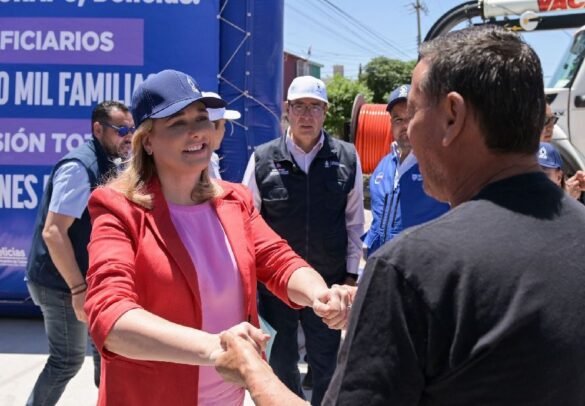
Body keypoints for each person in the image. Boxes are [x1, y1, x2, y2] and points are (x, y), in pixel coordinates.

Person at [215, 26, 585, 405]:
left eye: (415, 111)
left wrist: (252, 372)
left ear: (452, 116)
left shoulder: (410, 269)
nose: (406, 131)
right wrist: (374, 298)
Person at [83, 69, 351, 406]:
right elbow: (110, 318)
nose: (196, 131)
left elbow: (279, 261)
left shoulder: (234, 200)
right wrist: (217, 348)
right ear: (147, 140)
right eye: (178, 123)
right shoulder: (118, 208)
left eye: (202, 118)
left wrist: (320, 295)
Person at [242, 75, 364, 405]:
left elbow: (354, 223)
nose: (306, 115)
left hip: (328, 285)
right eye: (299, 106)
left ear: (325, 112)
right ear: (287, 110)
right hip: (274, 287)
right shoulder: (262, 158)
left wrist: (350, 276)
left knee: (327, 364)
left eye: (314, 107)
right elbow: (246, 223)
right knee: (280, 363)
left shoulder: (347, 158)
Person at [25, 101, 134, 405]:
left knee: (109, 357)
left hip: (92, 282)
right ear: (98, 129)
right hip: (61, 283)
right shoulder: (78, 168)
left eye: (132, 129)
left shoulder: (113, 161)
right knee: (66, 360)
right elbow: (53, 232)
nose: (129, 136)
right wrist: (77, 289)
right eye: (121, 130)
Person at [362, 84, 449, 258]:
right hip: (382, 266)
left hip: (423, 268)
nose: (405, 126)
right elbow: (378, 218)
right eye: (398, 119)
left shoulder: (443, 165)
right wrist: (368, 245)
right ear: (391, 124)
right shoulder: (383, 166)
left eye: (411, 117)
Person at [203, 91, 241, 179]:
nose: (224, 130)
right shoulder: (202, 160)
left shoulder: (212, 158)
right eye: (223, 124)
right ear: (211, 128)